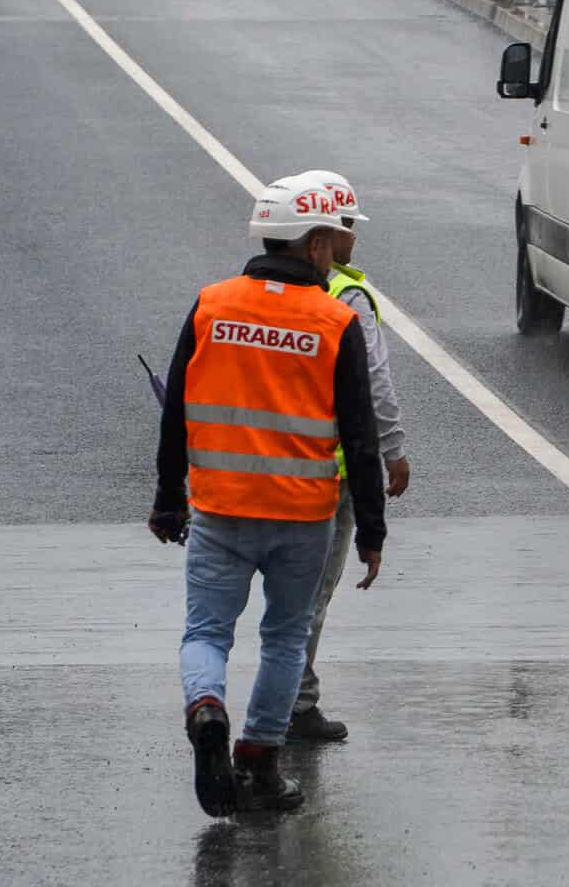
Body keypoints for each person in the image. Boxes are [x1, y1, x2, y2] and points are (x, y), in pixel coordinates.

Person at [149, 173, 389, 817]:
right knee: (284, 638)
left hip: (221, 507)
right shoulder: (335, 320)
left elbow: (177, 414)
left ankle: (205, 707)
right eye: (333, 236)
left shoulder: (211, 305)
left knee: (206, 631)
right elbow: (361, 439)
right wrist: (371, 532)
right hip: (302, 515)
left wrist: (168, 499)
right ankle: (258, 761)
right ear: (313, 244)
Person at [281, 171, 410, 744]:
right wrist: (394, 450)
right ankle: (294, 703)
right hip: (324, 475)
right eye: (349, 227)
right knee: (310, 596)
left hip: (262, 465)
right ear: (325, 236)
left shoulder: (263, 288)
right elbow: (373, 385)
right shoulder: (347, 298)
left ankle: (277, 696)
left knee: (276, 595)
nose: (355, 238)